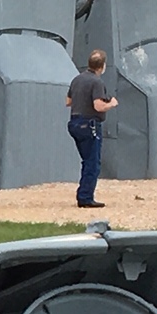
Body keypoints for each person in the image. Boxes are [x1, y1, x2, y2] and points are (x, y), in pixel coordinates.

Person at [66, 50, 118, 209]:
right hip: (90, 124)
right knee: (92, 163)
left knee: (86, 160)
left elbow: (68, 101)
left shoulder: (76, 79)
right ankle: (85, 197)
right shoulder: (97, 82)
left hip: (74, 123)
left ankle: (84, 192)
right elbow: (98, 106)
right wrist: (111, 103)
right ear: (102, 66)